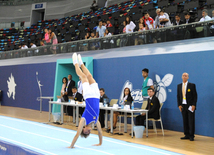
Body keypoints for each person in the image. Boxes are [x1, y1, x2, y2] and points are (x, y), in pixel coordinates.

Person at [68, 53, 102, 148]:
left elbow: (77, 134)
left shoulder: (83, 120)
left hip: (88, 95)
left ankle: (75, 63)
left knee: (83, 76)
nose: (88, 131)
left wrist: (71, 146)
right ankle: (81, 64)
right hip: (96, 95)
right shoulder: (96, 122)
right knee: (90, 76)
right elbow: (100, 132)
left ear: (83, 128)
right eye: (88, 133)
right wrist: (100, 143)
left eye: (85, 132)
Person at [177, 73, 197, 141]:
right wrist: (179, 105)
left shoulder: (192, 85)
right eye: (183, 76)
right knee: (185, 120)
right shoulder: (179, 86)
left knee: (191, 121)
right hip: (183, 105)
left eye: (186, 76)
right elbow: (178, 96)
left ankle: (191, 135)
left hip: (190, 106)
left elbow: (195, 96)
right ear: (181, 77)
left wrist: (194, 104)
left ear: (188, 77)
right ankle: (186, 134)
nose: (184, 77)